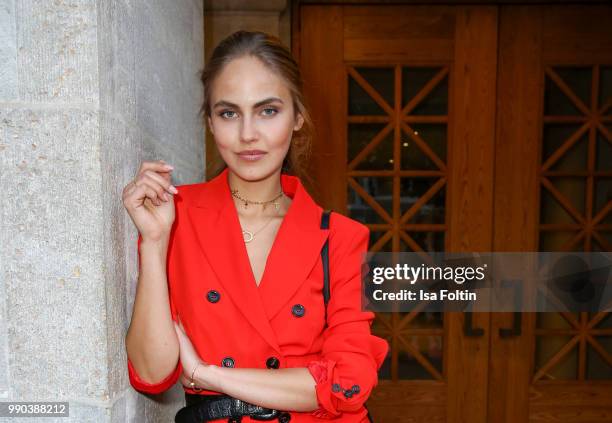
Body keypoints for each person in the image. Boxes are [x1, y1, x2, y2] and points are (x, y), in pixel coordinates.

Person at [122, 30, 389, 422]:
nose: (248, 134)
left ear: (297, 117)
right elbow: (152, 373)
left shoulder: (342, 238)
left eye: (268, 111)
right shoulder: (175, 216)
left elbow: (349, 383)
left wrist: (206, 374)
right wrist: (153, 242)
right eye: (229, 113)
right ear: (210, 123)